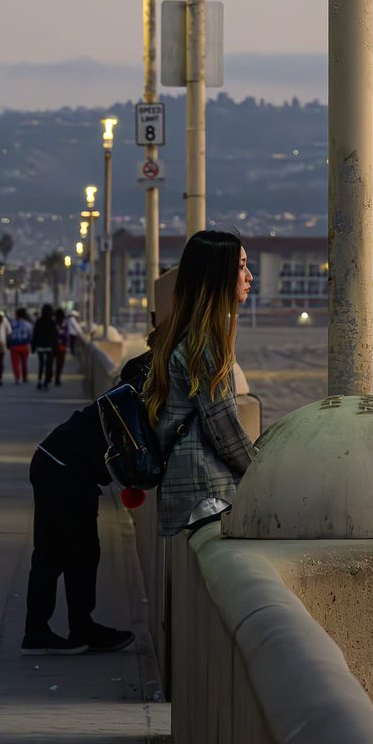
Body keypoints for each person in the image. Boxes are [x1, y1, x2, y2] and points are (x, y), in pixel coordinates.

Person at [21, 352, 149, 655]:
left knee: (55, 551)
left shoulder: (123, 396)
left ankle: (43, 630)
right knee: (77, 552)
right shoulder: (134, 403)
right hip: (67, 470)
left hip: (55, 461)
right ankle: (76, 628)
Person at [143, 230, 256, 538]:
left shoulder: (182, 334)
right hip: (206, 492)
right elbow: (224, 429)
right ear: (219, 276)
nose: (249, 277)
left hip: (183, 489)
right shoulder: (206, 344)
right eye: (241, 266)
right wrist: (264, 473)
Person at [32, 304, 58, 391]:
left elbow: (35, 335)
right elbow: (55, 336)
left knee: (41, 364)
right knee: (48, 365)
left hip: (40, 347)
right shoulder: (52, 322)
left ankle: (39, 381)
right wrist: (55, 347)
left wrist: (33, 347)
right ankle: (46, 382)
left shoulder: (39, 321)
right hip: (49, 347)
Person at [8, 307, 33, 384]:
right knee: (24, 363)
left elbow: (8, 334)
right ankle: (25, 378)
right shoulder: (28, 324)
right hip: (24, 345)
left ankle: (17, 378)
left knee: (15, 363)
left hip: (14, 345)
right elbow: (30, 335)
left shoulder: (12, 323)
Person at [52, 308, 69, 386]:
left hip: (53, 345)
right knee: (60, 363)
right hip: (61, 346)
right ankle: (57, 378)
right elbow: (66, 336)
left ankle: (50, 377)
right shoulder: (64, 324)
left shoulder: (53, 323)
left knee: (51, 362)